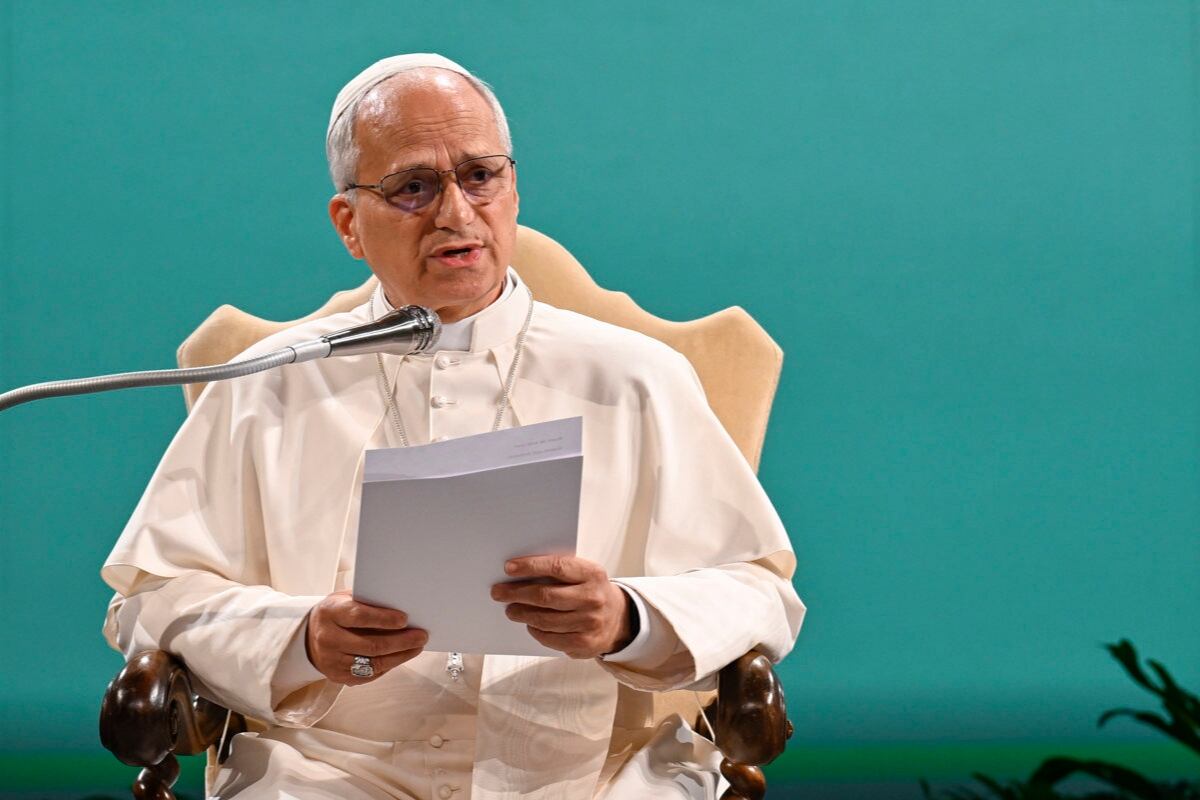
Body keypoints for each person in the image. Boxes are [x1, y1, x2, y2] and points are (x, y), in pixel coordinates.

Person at [101, 53, 805, 800]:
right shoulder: (267, 381)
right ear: (349, 223)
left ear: (514, 189)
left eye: (480, 176)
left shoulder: (635, 375)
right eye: (413, 187)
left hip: (595, 775)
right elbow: (152, 600)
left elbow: (759, 591)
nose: (456, 214)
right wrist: (300, 639)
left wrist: (626, 619)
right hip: (326, 775)